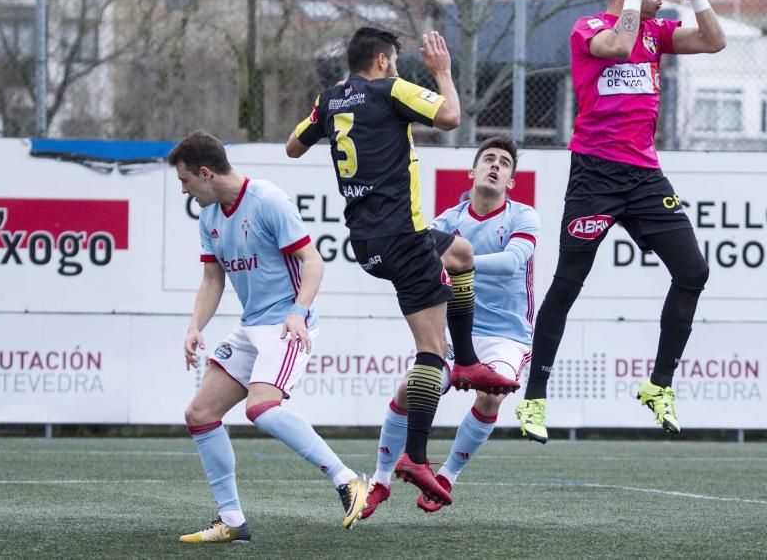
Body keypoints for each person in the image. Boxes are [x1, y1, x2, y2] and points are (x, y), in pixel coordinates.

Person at [285, 27, 519, 507]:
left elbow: (293, 146)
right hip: (404, 240)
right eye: (392, 61)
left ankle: (470, 360)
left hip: (367, 241)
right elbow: (450, 116)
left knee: (461, 254)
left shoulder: (328, 100)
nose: (395, 67)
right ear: (382, 60)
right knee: (432, 354)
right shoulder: (389, 89)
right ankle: (415, 456)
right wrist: (442, 73)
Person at [515, 0, 725, 443]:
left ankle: (659, 384)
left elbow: (714, 40)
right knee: (567, 284)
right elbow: (616, 45)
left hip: (644, 176)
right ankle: (534, 400)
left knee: (693, 270)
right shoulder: (588, 27)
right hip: (596, 174)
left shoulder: (656, 31)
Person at [170, 132, 368, 543]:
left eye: (186, 180)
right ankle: (232, 521)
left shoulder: (268, 200)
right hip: (251, 324)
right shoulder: (209, 215)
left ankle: (347, 480)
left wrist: (298, 312)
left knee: (261, 407)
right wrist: (194, 327)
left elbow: (313, 263)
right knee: (200, 414)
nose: (184, 189)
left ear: (206, 173)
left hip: (287, 323)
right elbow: (212, 279)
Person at [357, 135, 539, 519]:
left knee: (491, 397)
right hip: (456, 332)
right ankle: (380, 481)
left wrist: (459, 258)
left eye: (504, 164)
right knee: (410, 389)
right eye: (488, 159)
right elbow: (419, 259)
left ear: (510, 181)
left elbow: (511, 263)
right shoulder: (448, 221)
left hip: (506, 335)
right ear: (472, 172)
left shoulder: (523, 216)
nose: (495, 165)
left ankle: (447, 476)